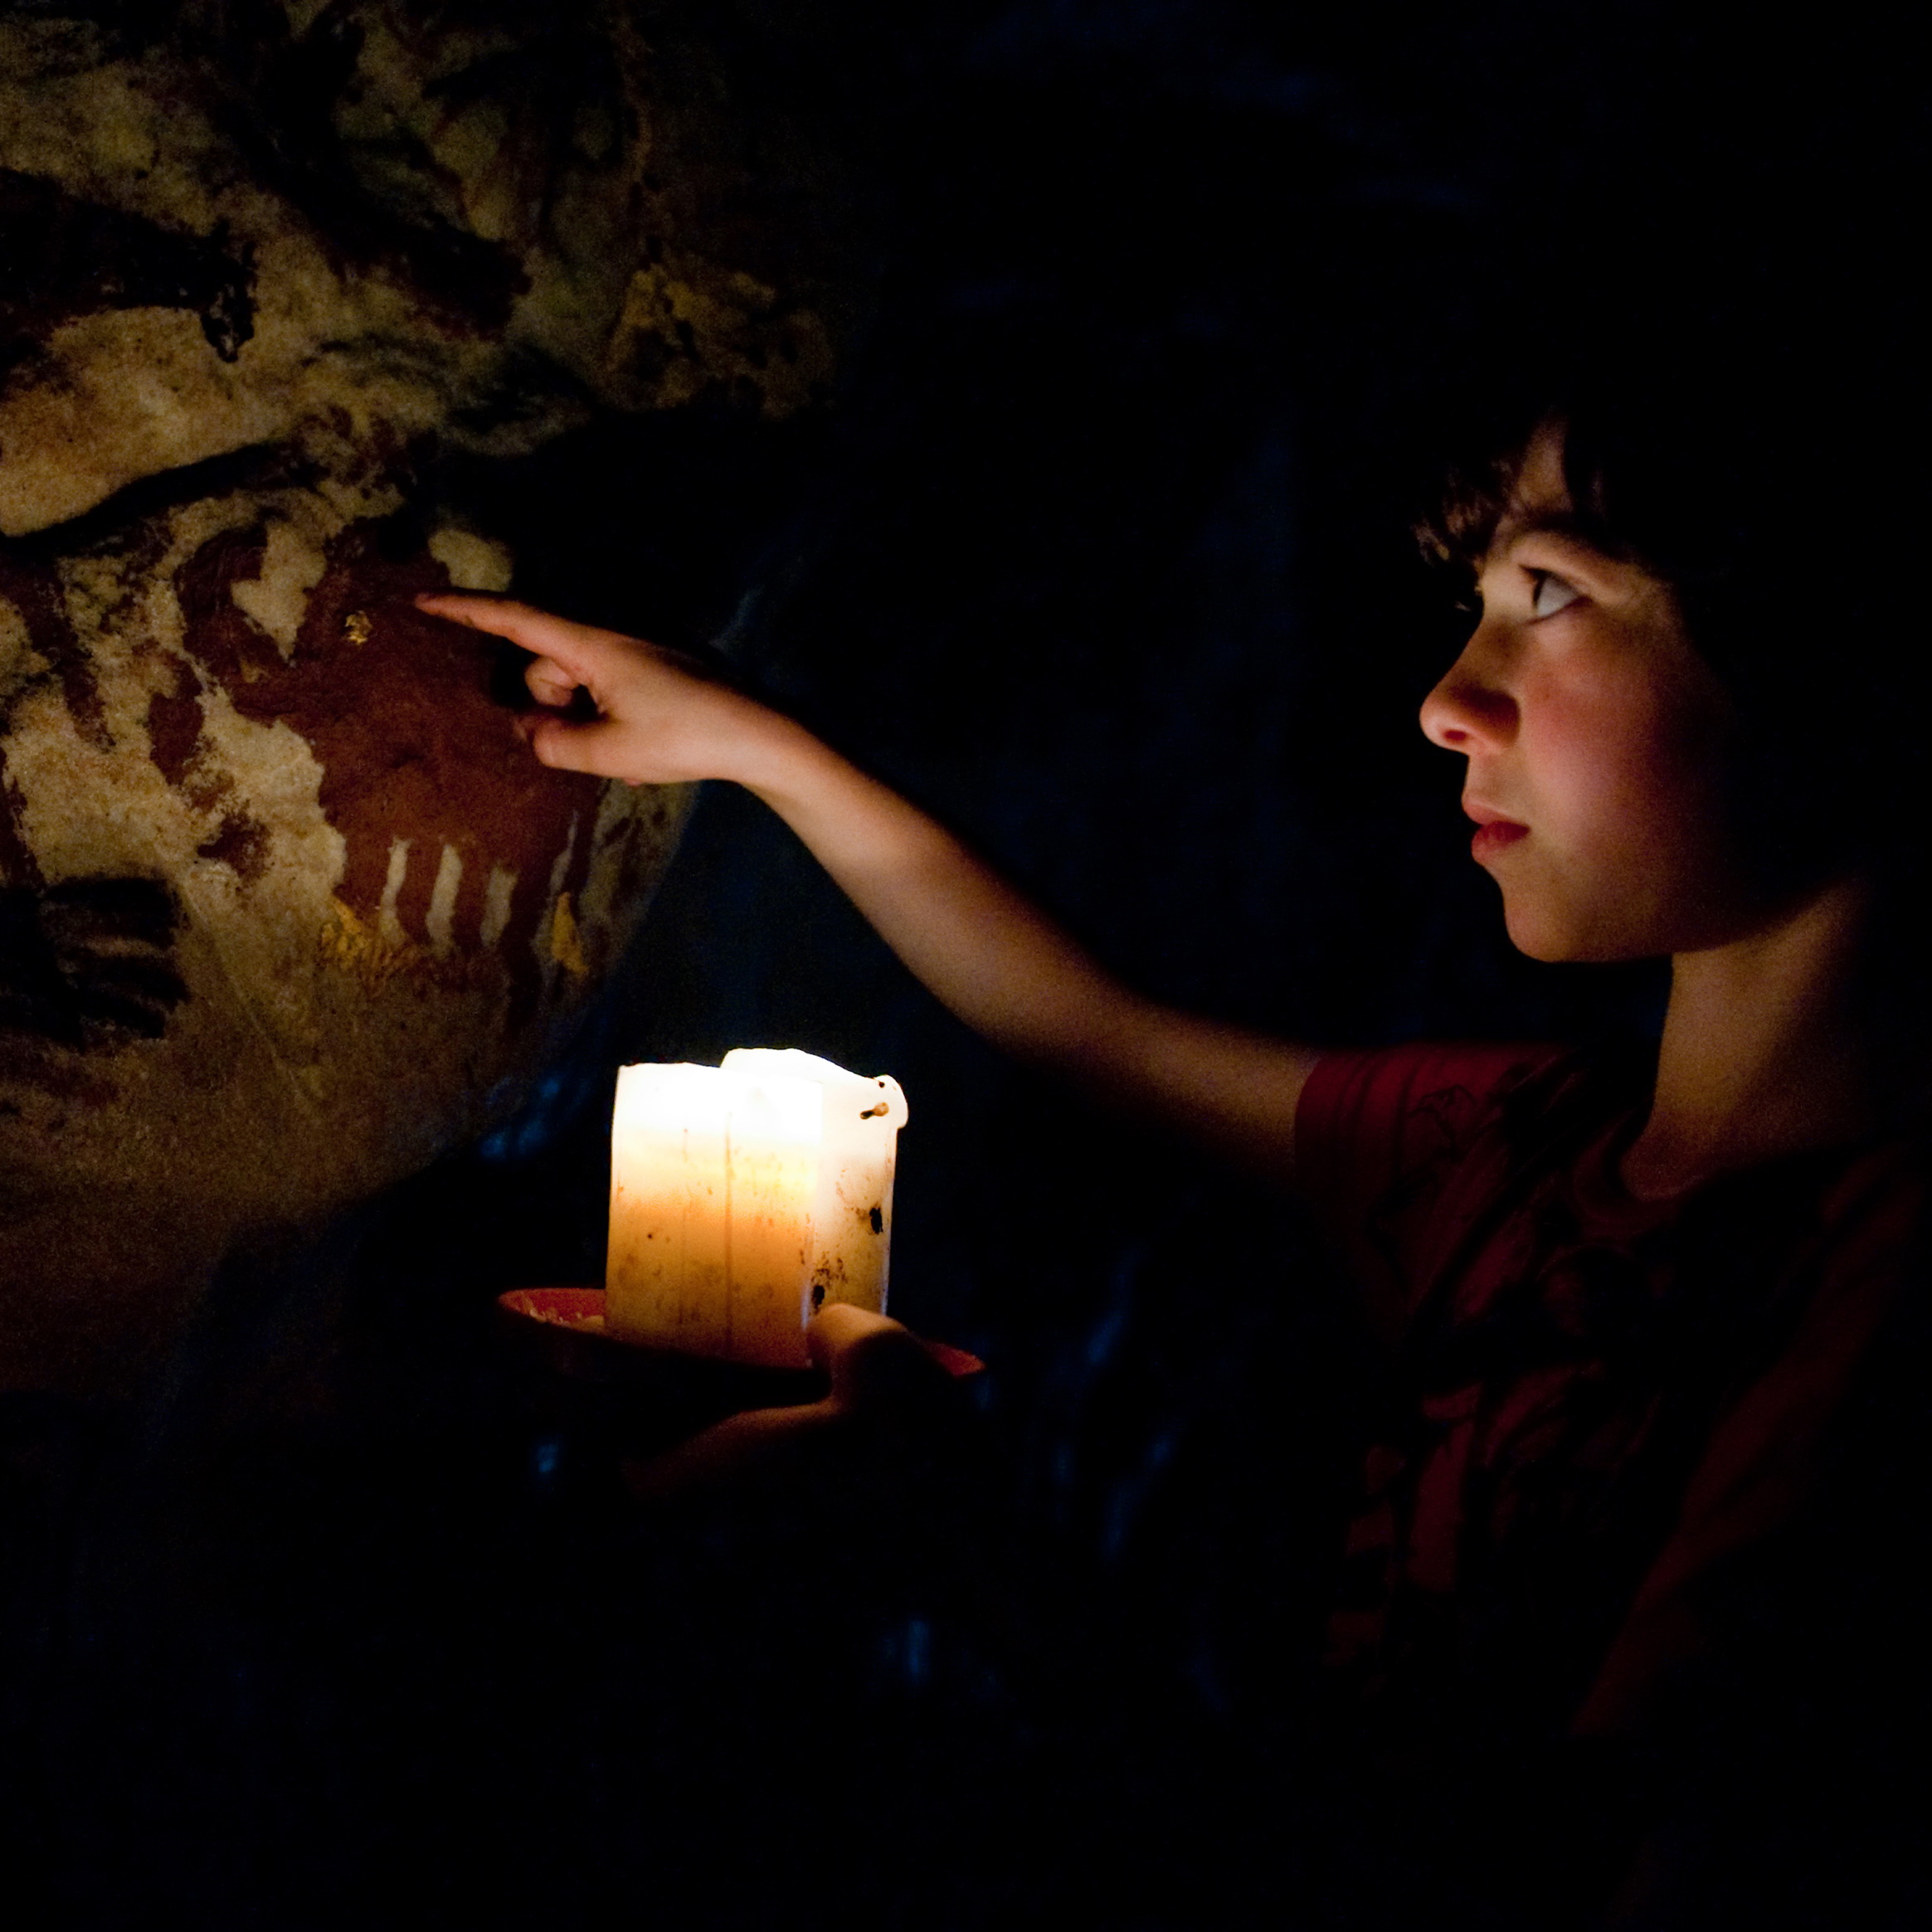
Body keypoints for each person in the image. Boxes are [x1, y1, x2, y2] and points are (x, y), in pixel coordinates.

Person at [416, 334, 1932, 1924]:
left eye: (1548, 595)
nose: (1445, 701)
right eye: (1474, 605)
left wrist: (966, 1547)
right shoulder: (1523, 1153)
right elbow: (1093, 1031)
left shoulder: (1883, 1294)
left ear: (1835, 646)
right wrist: (749, 743)